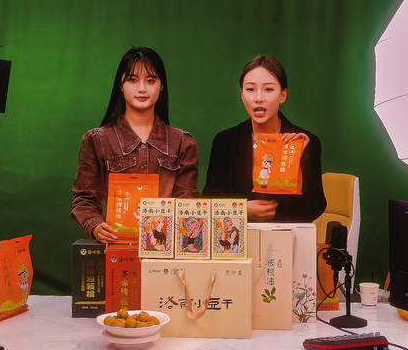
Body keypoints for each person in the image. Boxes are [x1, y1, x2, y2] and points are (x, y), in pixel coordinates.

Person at [71, 47, 199, 243]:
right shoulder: (97, 140)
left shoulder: (183, 142)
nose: (142, 88)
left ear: (161, 86)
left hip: (164, 247)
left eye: (150, 80)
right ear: (120, 85)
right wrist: (95, 226)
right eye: (132, 79)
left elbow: (187, 200)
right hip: (116, 246)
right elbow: (84, 199)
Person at [203, 55, 326, 223]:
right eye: (250, 89)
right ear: (242, 94)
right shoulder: (225, 142)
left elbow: (314, 210)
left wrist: (300, 159)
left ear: (283, 95)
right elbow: (209, 203)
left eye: (268, 89)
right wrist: (241, 210)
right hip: (240, 237)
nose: (258, 98)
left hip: (287, 237)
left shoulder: (305, 141)